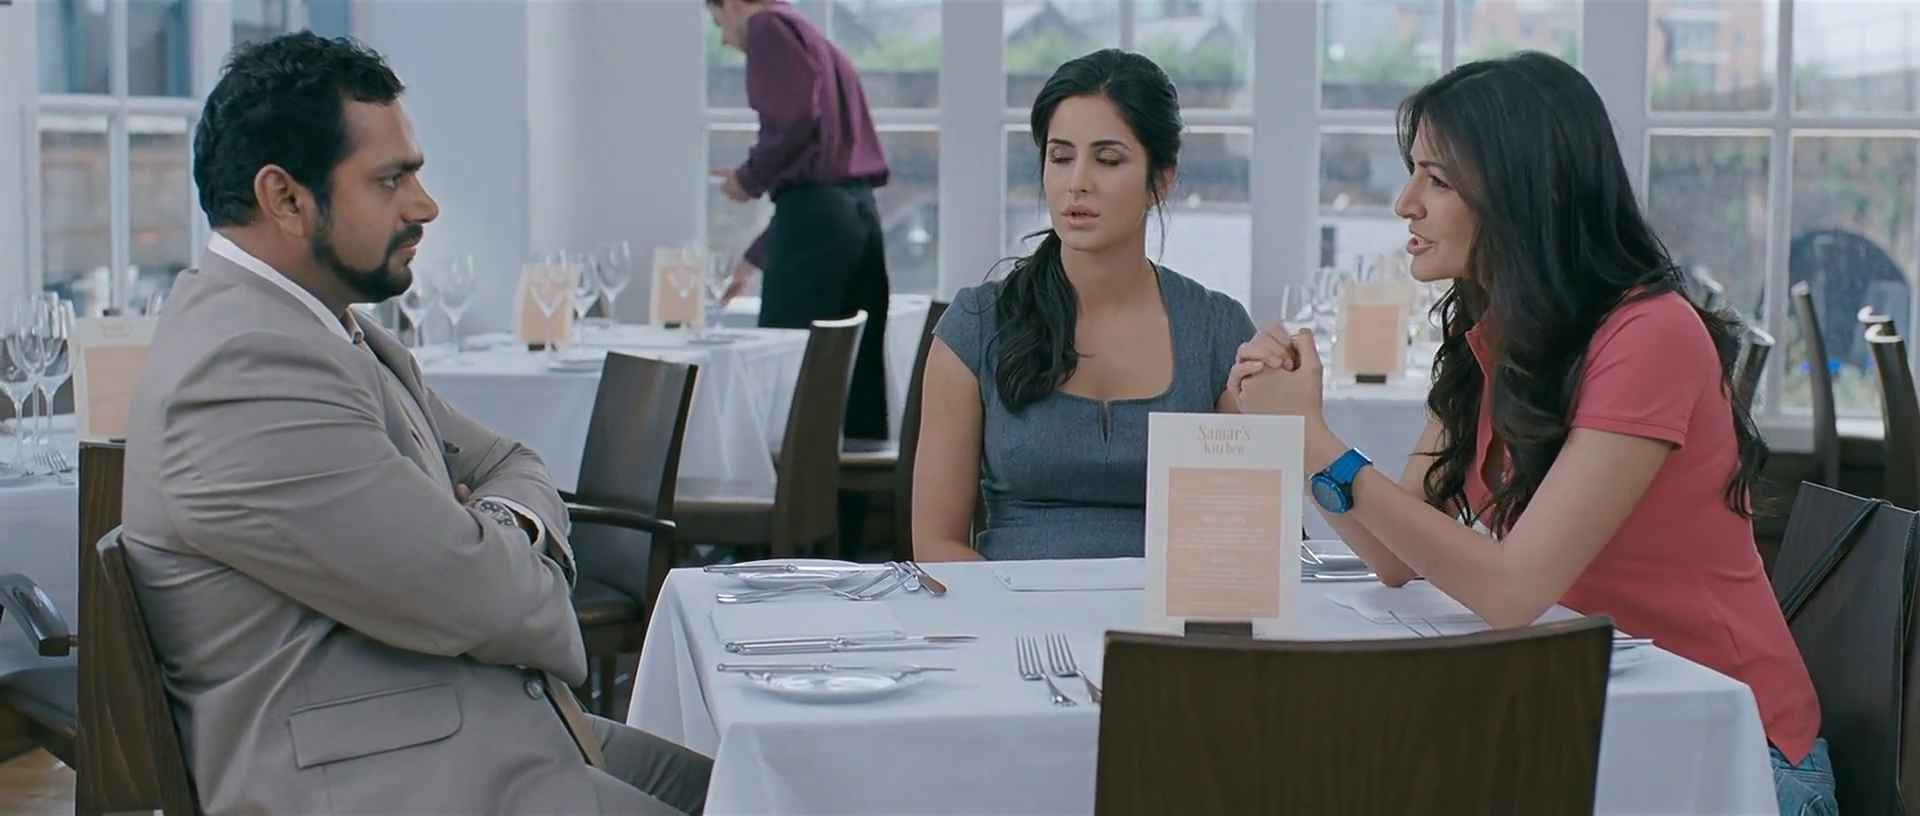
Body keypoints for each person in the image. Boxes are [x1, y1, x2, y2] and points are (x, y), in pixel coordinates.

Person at [117, 32, 711, 815]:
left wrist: (492, 524)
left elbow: (512, 462)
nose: (424, 206)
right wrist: (491, 547)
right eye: (390, 179)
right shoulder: (242, 370)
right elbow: (490, 599)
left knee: (761, 783)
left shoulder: (323, 329)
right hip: (389, 780)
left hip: (476, 728)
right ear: (285, 199)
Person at [1231, 51, 1835, 815]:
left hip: (1728, 752)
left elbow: (1512, 591)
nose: (1404, 203)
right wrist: (1300, 436)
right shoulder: (1498, 336)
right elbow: (1392, 557)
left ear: (1529, 193)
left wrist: (1319, 443)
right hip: (1594, 721)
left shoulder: (1651, 335)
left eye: (1437, 180)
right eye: (1412, 173)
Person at [912, 49, 1255, 563]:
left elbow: (1253, 531)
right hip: (1010, 609)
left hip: (1169, 612)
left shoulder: (1218, 332)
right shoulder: (976, 327)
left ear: (1161, 179)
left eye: (1108, 159)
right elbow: (936, 546)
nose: (1077, 182)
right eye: (1060, 157)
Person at [706, 0, 892, 444]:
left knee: (786, 377)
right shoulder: (817, 44)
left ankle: (789, 490)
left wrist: (749, 178)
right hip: (858, 217)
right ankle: (856, 492)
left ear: (733, 4)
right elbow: (822, 180)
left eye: (718, 22)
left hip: (818, 220)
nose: (724, 39)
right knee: (858, 381)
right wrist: (757, 257)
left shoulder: (768, 26)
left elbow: (794, 124)